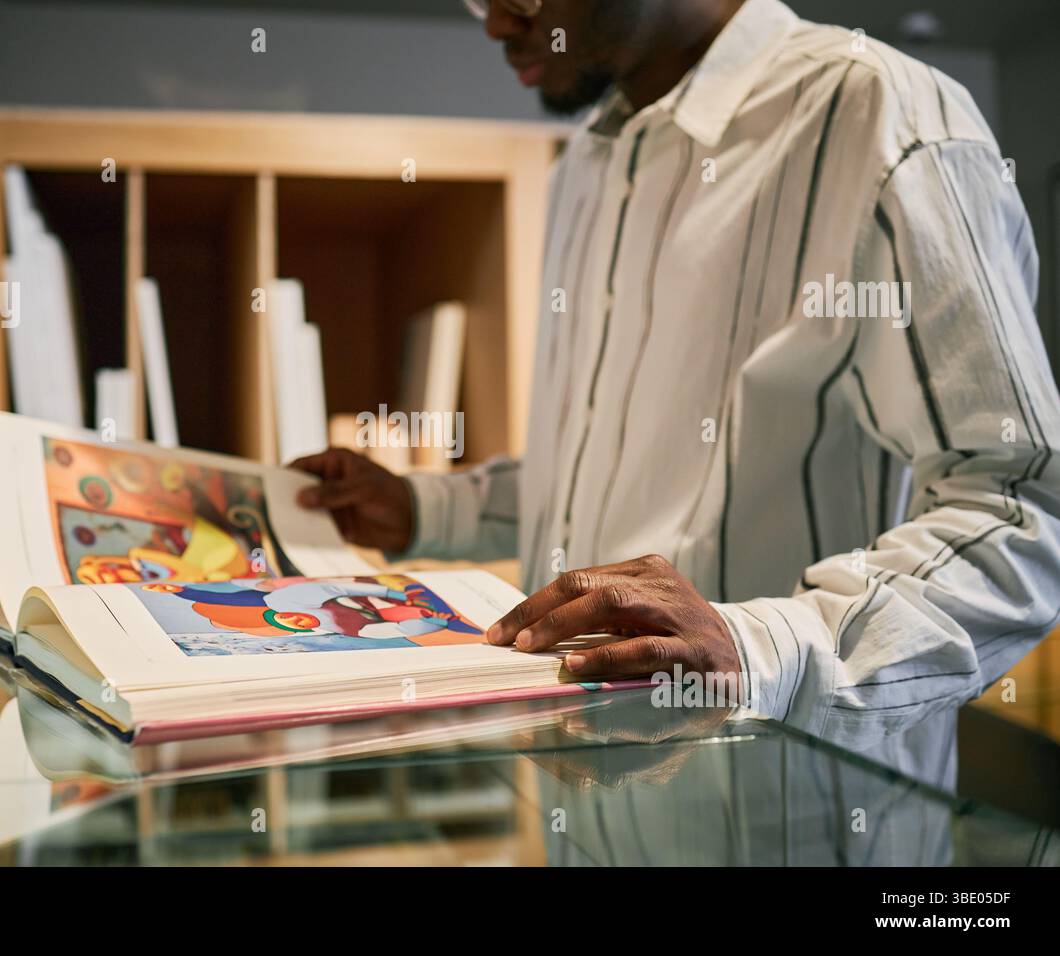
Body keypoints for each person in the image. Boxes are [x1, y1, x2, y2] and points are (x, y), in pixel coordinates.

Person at [291, 0, 1060, 785]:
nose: (495, 22)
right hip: (586, 814)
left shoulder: (885, 119)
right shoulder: (582, 171)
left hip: (796, 826)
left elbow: (1024, 512)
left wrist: (759, 647)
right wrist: (428, 508)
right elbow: (610, 468)